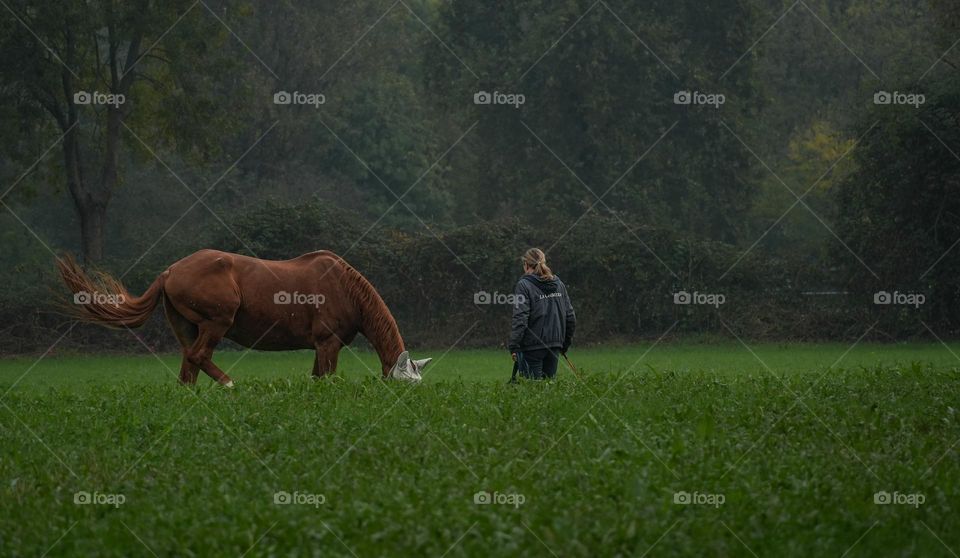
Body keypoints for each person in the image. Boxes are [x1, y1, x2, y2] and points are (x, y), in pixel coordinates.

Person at [508, 248, 576, 380]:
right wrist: (564, 344)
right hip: (554, 345)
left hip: (531, 347)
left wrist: (514, 345)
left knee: (533, 393)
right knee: (548, 393)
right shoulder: (559, 284)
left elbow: (520, 318)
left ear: (526, 265)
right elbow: (570, 317)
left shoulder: (523, 285)